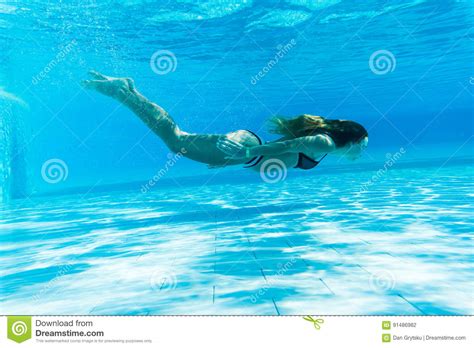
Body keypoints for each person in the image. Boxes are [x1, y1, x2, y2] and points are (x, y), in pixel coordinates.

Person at [82, 71, 368, 171]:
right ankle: (122, 93)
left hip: (249, 150)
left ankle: (127, 92)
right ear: (352, 140)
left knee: (178, 140)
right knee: (177, 140)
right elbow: (287, 147)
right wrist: (246, 153)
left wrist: (242, 156)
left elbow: (288, 148)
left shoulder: (329, 145)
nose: (362, 152)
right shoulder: (326, 144)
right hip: (249, 149)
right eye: (363, 146)